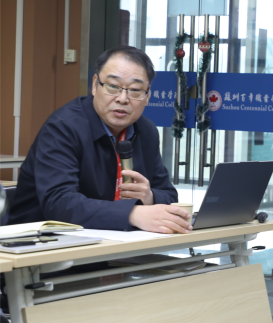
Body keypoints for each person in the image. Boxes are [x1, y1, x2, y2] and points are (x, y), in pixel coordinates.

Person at [9, 46, 191, 234]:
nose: (122, 99)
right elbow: (59, 204)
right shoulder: (62, 127)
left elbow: (169, 195)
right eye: (113, 86)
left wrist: (150, 196)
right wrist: (132, 214)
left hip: (113, 240)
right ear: (95, 85)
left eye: (135, 90)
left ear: (147, 96)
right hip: (41, 241)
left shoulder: (146, 130)